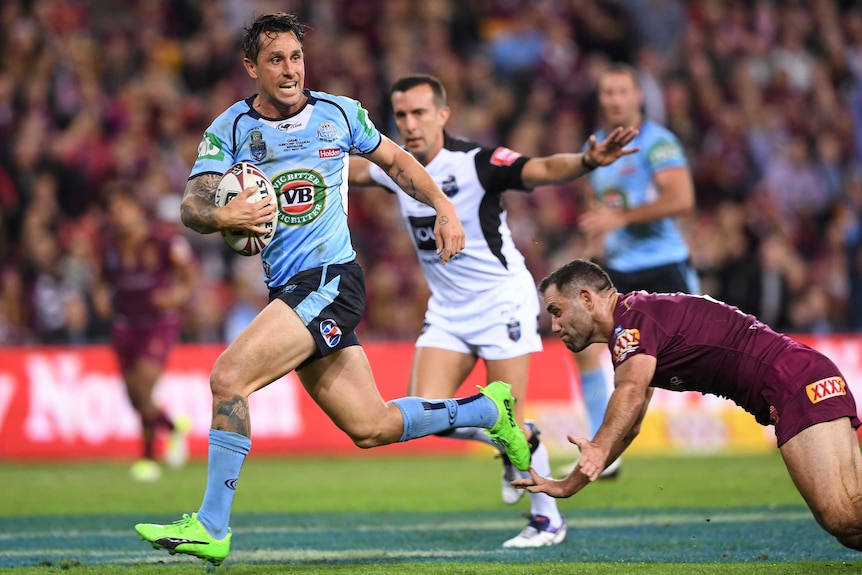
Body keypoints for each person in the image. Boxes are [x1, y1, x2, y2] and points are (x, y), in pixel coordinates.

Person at [134, 13, 530, 566]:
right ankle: (489, 412)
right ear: (252, 68)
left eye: (296, 57)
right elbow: (192, 205)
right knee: (371, 426)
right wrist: (225, 212)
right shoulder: (229, 128)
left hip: (330, 279)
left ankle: (211, 526)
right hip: (289, 289)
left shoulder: (340, 114)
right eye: (275, 59)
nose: (290, 69)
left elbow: (396, 162)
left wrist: (443, 207)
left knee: (228, 377)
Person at [348, 73, 638, 547]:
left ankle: (548, 519)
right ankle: (513, 438)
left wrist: (587, 161)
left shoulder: (474, 162)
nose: (409, 123)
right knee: (427, 414)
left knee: (511, 411)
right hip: (447, 311)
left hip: (501, 301)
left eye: (419, 112)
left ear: (442, 114)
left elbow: (539, 168)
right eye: (400, 115)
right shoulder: (393, 167)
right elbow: (347, 169)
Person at [514, 258, 862, 552]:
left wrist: (597, 446)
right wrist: (568, 484)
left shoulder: (632, 325)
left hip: (792, 383)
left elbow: (631, 391)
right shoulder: (638, 320)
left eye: (557, 311)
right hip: (803, 375)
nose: (554, 325)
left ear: (587, 299)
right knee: (851, 523)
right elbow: (631, 423)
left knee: (841, 516)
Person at [570, 63, 699, 478]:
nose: (614, 100)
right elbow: (598, 214)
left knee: (660, 369)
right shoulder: (597, 150)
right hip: (618, 272)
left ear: (638, 96)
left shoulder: (659, 145)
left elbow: (681, 199)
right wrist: (589, 255)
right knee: (587, 347)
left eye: (622, 91)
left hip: (663, 271)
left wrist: (621, 219)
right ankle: (602, 452)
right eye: (607, 93)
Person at [96, 189, 196, 482]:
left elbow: (190, 276)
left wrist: (176, 295)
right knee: (133, 397)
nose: (119, 215)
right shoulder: (109, 245)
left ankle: (148, 456)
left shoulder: (164, 240)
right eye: (114, 210)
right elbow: (103, 279)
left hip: (158, 323)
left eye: (124, 207)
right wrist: (101, 296)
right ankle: (173, 427)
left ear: (138, 209)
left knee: (143, 387)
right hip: (125, 324)